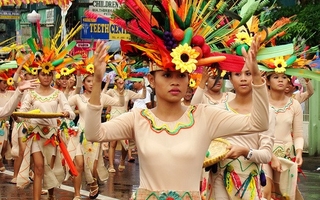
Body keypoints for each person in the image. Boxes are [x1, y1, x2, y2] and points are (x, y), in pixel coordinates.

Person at [84, 35, 269, 199]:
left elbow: (259, 123)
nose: (174, 81)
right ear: (151, 80)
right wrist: (98, 82)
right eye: (166, 75)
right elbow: (94, 134)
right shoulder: (138, 118)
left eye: (181, 75)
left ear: (188, 79)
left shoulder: (204, 116)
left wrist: (256, 77)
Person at [205, 65, 275, 200]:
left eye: (248, 74)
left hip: (248, 183)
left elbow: (266, 155)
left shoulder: (267, 113)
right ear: (230, 78)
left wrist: (245, 151)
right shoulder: (218, 110)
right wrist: (202, 83)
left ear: (256, 76)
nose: (243, 79)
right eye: (237, 74)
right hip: (219, 179)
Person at [17, 67, 76, 200]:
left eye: (49, 74)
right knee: (38, 167)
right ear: (38, 75)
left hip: (52, 136)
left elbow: (70, 112)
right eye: (43, 74)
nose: (46, 77)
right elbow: (22, 112)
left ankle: (51, 195)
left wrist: (67, 113)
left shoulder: (58, 94)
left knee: (48, 167)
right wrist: (17, 116)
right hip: (36, 134)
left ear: (53, 76)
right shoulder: (31, 94)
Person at [67, 73, 124, 199]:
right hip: (79, 135)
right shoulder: (78, 97)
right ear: (83, 83)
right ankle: (76, 195)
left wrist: (120, 90)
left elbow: (120, 103)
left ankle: (93, 182)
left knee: (92, 167)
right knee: (79, 165)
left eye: (94, 81)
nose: (92, 83)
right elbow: (64, 104)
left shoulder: (101, 97)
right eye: (88, 81)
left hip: (95, 136)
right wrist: (68, 89)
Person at [262, 72, 304, 200]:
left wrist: (299, 152)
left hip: (286, 155)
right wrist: (270, 155)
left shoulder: (294, 105)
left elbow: (298, 134)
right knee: (265, 192)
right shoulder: (260, 103)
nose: (280, 80)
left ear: (288, 81)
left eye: (284, 77)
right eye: (276, 77)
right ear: (267, 81)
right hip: (264, 153)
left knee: (286, 195)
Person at [104, 74, 146, 173]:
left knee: (125, 144)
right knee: (113, 143)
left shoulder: (128, 92)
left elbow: (142, 96)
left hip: (124, 119)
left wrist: (144, 87)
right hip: (114, 119)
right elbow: (102, 94)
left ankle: (122, 160)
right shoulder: (111, 92)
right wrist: (106, 83)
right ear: (115, 82)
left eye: (122, 80)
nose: (120, 82)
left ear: (125, 81)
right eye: (118, 80)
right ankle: (111, 165)